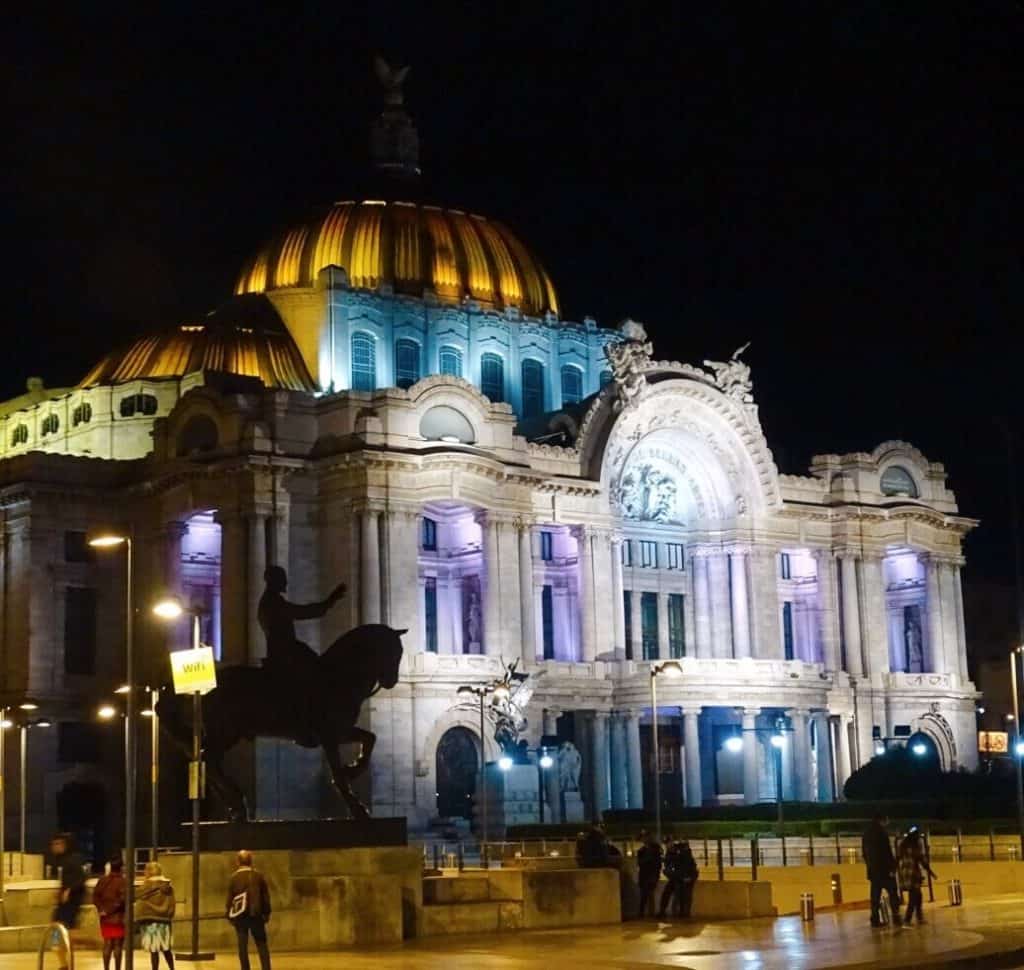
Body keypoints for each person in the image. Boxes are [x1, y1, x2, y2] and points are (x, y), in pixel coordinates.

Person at [226, 849, 272, 970]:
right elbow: (265, 897)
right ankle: (266, 968)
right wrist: (266, 913)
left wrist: (229, 915)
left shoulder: (234, 878)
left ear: (238, 862)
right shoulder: (258, 876)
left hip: (240, 916)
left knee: (242, 946)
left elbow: (230, 899)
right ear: (251, 861)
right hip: (256, 915)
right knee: (262, 945)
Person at [50, 833, 86, 970]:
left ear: (65, 845)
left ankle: (90, 942)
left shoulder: (72, 860)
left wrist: (69, 891)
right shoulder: (61, 860)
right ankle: (63, 963)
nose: (55, 847)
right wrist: (60, 891)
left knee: (65, 932)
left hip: (71, 903)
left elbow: (81, 878)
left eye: (58, 844)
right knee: (57, 931)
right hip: (64, 903)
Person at [134, 861, 176, 969]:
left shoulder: (146, 886)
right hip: (164, 923)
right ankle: (172, 968)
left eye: (145, 870)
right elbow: (172, 904)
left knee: (154, 951)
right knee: (166, 949)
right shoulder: (168, 886)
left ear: (149, 871)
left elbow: (135, 896)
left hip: (150, 922)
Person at [862, 814, 901, 927]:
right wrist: (892, 867)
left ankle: (874, 918)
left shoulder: (866, 833)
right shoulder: (882, 833)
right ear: (882, 820)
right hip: (885, 870)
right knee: (893, 893)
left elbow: (864, 853)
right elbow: (886, 852)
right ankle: (896, 916)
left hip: (873, 871)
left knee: (875, 896)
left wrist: (870, 866)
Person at [93, 858, 127, 970]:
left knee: (107, 943)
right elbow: (122, 900)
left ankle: (106, 968)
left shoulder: (102, 880)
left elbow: (95, 897)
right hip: (118, 917)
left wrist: (102, 910)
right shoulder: (123, 881)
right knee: (118, 945)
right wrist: (110, 910)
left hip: (105, 918)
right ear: (121, 868)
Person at [898, 828, 938, 925]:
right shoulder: (915, 846)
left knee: (918, 896)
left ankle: (919, 917)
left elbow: (898, 858)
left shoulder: (903, 845)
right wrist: (931, 873)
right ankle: (907, 920)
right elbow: (922, 861)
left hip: (905, 873)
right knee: (914, 897)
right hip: (913, 874)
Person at [658, 839, 699, 919]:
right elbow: (669, 865)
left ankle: (683, 913)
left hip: (685, 877)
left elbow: (687, 865)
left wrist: (688, 877)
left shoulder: (681, 851)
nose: (668, 846)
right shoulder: (671, 853)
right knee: (668, 893)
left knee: (684, 896)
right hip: (677, 877)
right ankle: (664, 912)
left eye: (669, 843)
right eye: (666, 844)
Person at [636, 830, 663, 919]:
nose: (644, 839)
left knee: (649, 894)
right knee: (644, 895)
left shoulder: (654, 849)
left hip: (651, 875)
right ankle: (643, 913)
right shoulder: (642, 850)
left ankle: (648, 913)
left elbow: (657, 864)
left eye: (645, 837)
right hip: (644, 875)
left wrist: (655, 875)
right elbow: (640, 863)